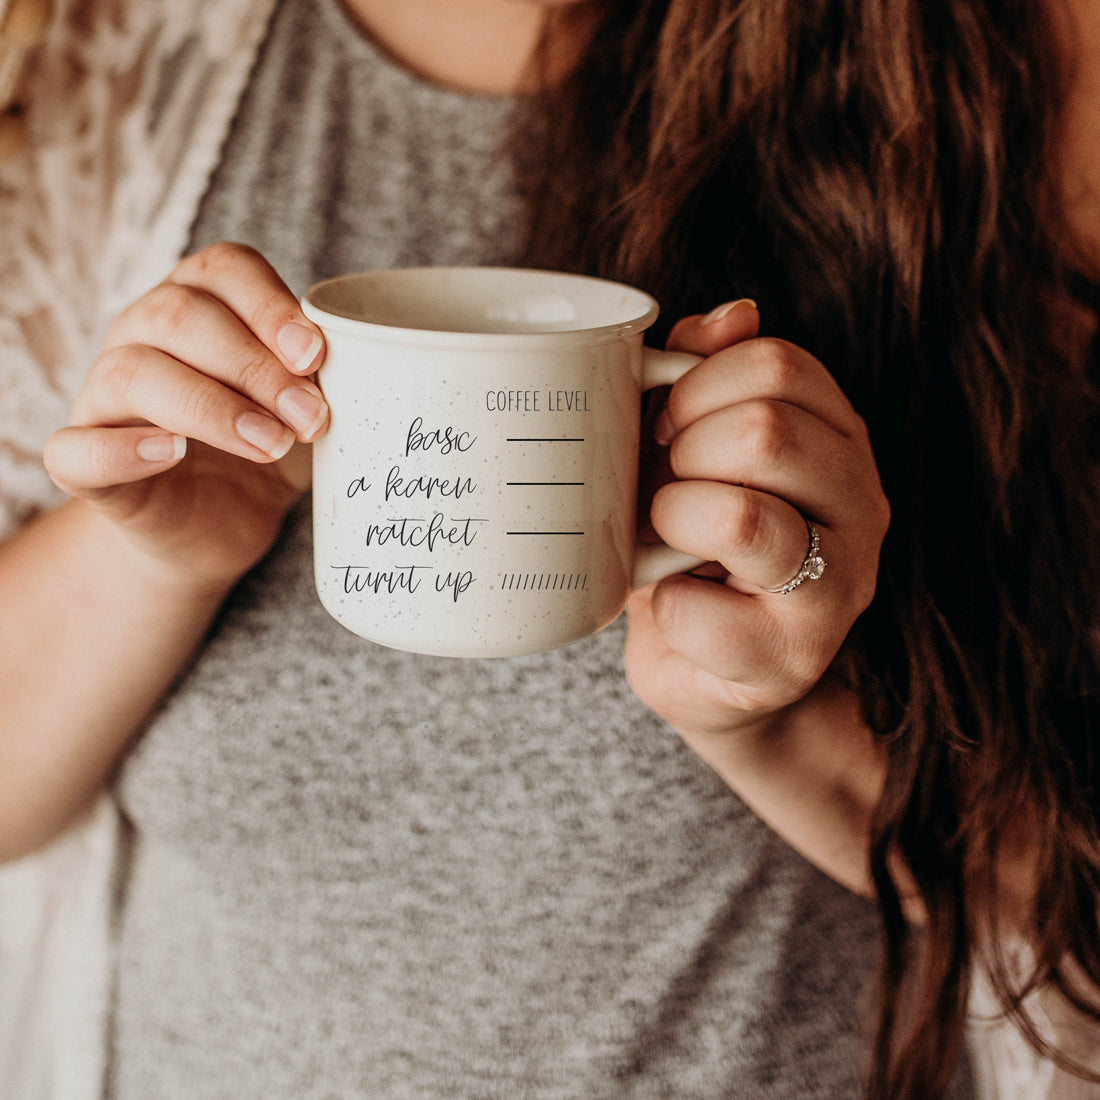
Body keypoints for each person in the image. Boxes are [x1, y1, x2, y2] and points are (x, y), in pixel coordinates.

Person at [0, 0, 1097, 1097]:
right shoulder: (86, 59)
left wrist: (773, 714)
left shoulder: (981, 71)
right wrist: (152, 557)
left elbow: (1056, 900)